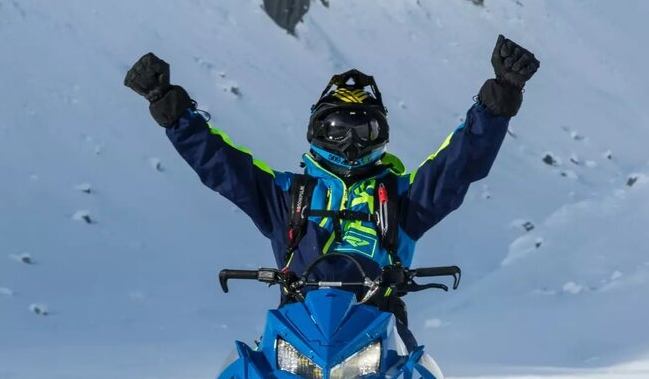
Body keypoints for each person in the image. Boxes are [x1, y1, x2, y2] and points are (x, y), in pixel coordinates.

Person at [124, 35, 538, 348]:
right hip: (298, 329)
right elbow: (221, 165)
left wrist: (500, 98)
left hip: (378, 329)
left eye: (364, 130)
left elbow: (458, 165)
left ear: (381, 135)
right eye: (338, 130)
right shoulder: (288, 194)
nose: (351, 143)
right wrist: (170, 108)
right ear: (317, 131)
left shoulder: (400, 197)